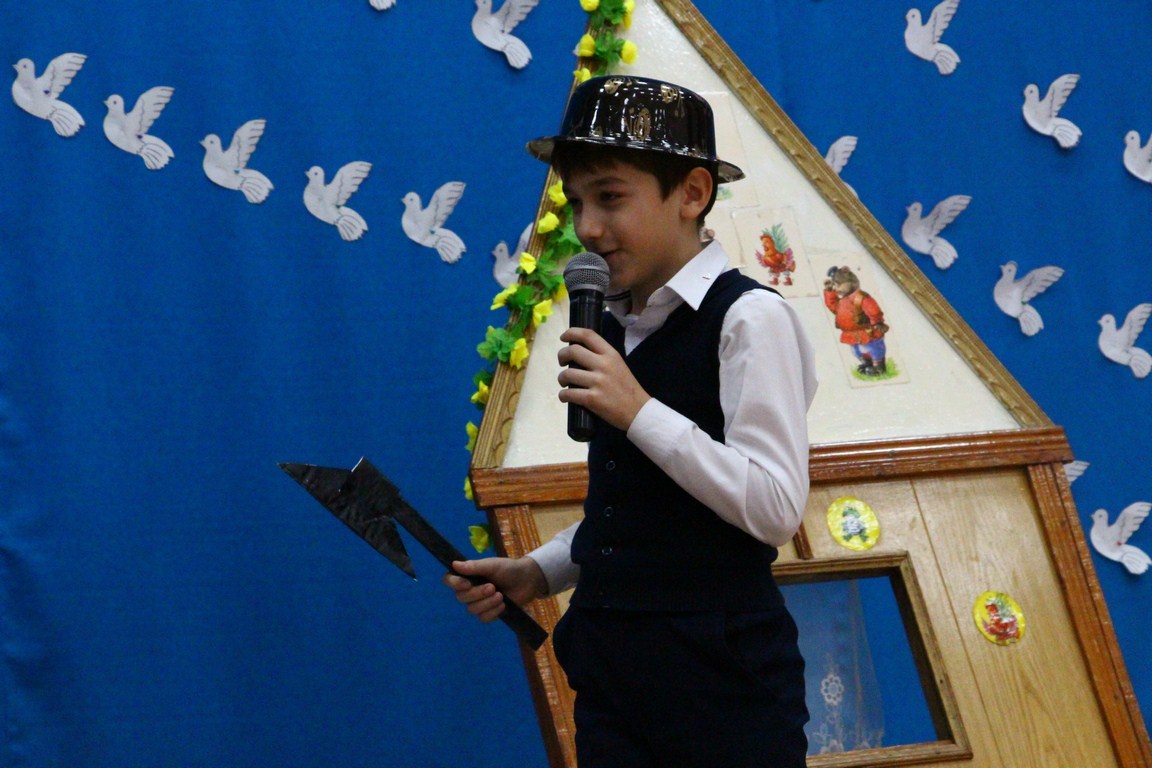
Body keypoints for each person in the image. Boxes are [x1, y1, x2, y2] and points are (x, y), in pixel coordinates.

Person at [444, 75, 818, 767]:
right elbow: (641, 511)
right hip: (613, 668)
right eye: (576, 202)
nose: (587, 227)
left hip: (721, 677)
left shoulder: (749, 319)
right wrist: (538, 572)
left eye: (611, 197)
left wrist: (640, 411)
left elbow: (774, 507)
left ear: (693, 193)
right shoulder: (618, 326)